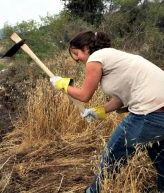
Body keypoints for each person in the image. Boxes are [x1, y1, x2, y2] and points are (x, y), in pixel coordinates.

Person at [50, 31, 164, 193]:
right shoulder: (116, 57)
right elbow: (121, 99)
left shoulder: (96, 58)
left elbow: (84, 95)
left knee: (112, 156)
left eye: (77, 53)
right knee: (161, 160)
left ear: (87, 48)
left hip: (149, 114)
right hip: (158, 115)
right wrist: (98, 112)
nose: (77, 59)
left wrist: (62, 85)